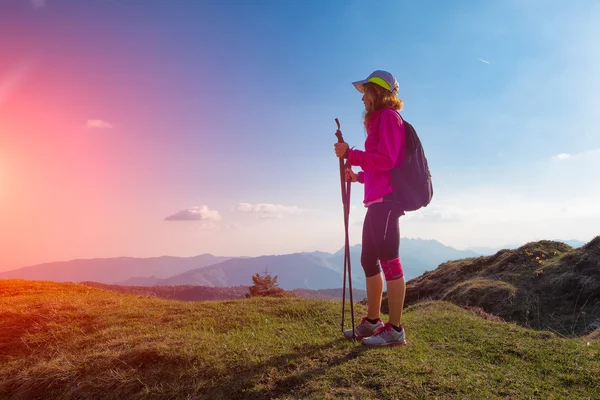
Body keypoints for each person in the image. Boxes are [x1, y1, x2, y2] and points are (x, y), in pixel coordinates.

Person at [334, 70, 408, 347]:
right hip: (377, 202)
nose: (362, 97)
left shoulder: (389, 117)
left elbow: (387, 160)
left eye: (365, 92)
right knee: (369, 260)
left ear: (377, 92)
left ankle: (396, 329)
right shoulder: (379, 121)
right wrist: (358, 176)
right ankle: (373, 322)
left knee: (390, 262)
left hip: (387, 203)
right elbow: (380, 167)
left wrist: (351, 156)